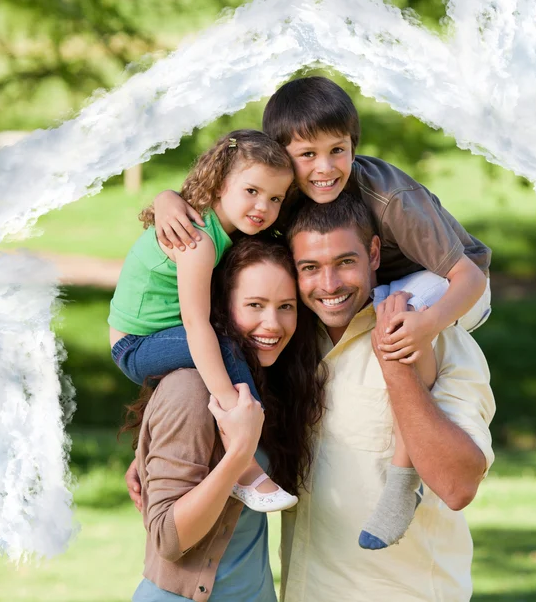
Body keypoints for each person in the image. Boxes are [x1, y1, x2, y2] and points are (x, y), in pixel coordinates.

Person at [150, 76, 493, 548]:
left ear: (355, 146)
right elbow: (221, 192)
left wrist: (424, 326)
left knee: (399, 320)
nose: (325, 168)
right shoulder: (280, 193)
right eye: (307, 155)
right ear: (281, 155)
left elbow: (469, 278)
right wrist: (166, 199)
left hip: (449, 281)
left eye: (338, 150)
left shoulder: (390, 196)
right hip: (364, 285)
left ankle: (402, 480)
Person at [280, 191, 495, 601]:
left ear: (374, 253)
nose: (329, 285)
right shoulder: (291, 344)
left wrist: (396, 367)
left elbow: (457, 484)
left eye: (345, 262)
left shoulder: (442, 341)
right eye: (310, 267)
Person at [121, 236, 327, 602]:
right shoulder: (189, 390)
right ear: (223, 308)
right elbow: (168, 538)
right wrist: (237, 457)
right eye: (254, 305)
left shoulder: (264, 383)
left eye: (286, 306)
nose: (273, 323)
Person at [109, 129, 298, 511]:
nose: (263, 206)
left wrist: (166, 197)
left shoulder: (222, 231)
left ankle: (248, 443)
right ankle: (244, 462)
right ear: (220, 183)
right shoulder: (198, 242)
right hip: (137, 346)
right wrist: (236, 409)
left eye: (275, 198)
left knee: (227, 344)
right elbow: (197, 326)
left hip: (162, 336)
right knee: (226, 346)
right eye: (252, 191)